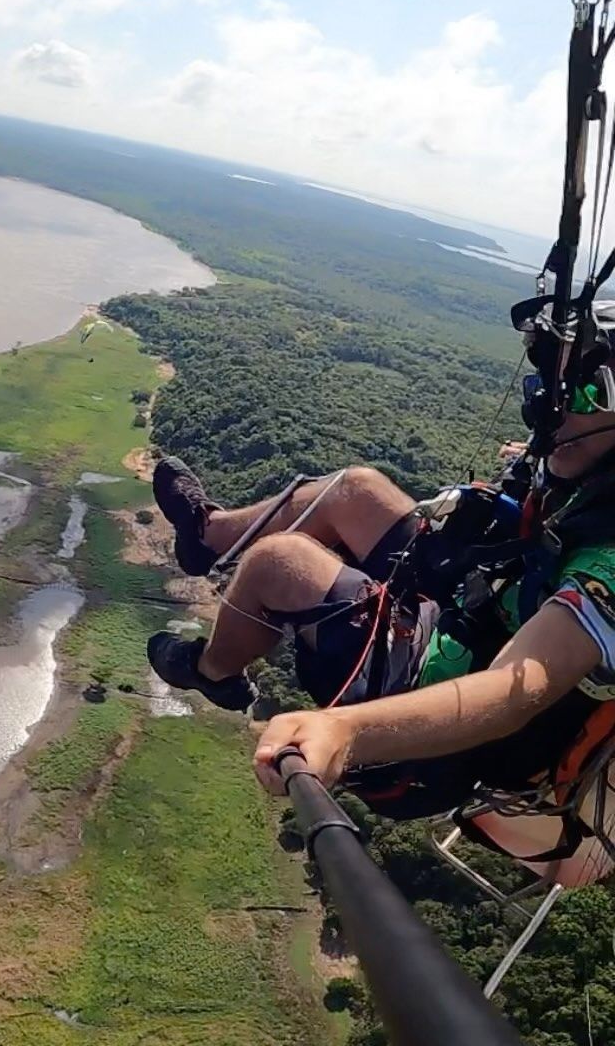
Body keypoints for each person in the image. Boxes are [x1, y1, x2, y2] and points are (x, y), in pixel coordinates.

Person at [147, 323, 615, 807]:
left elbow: (514, 692)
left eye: (586, 393)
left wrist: (346, 733)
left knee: (278, 562)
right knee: (357, 489)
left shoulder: (610, 562)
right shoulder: (589, 470)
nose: (552, 411)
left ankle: (211, 671)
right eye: (550, 388)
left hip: (427, 725)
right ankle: (207, 536)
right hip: (469, 611)